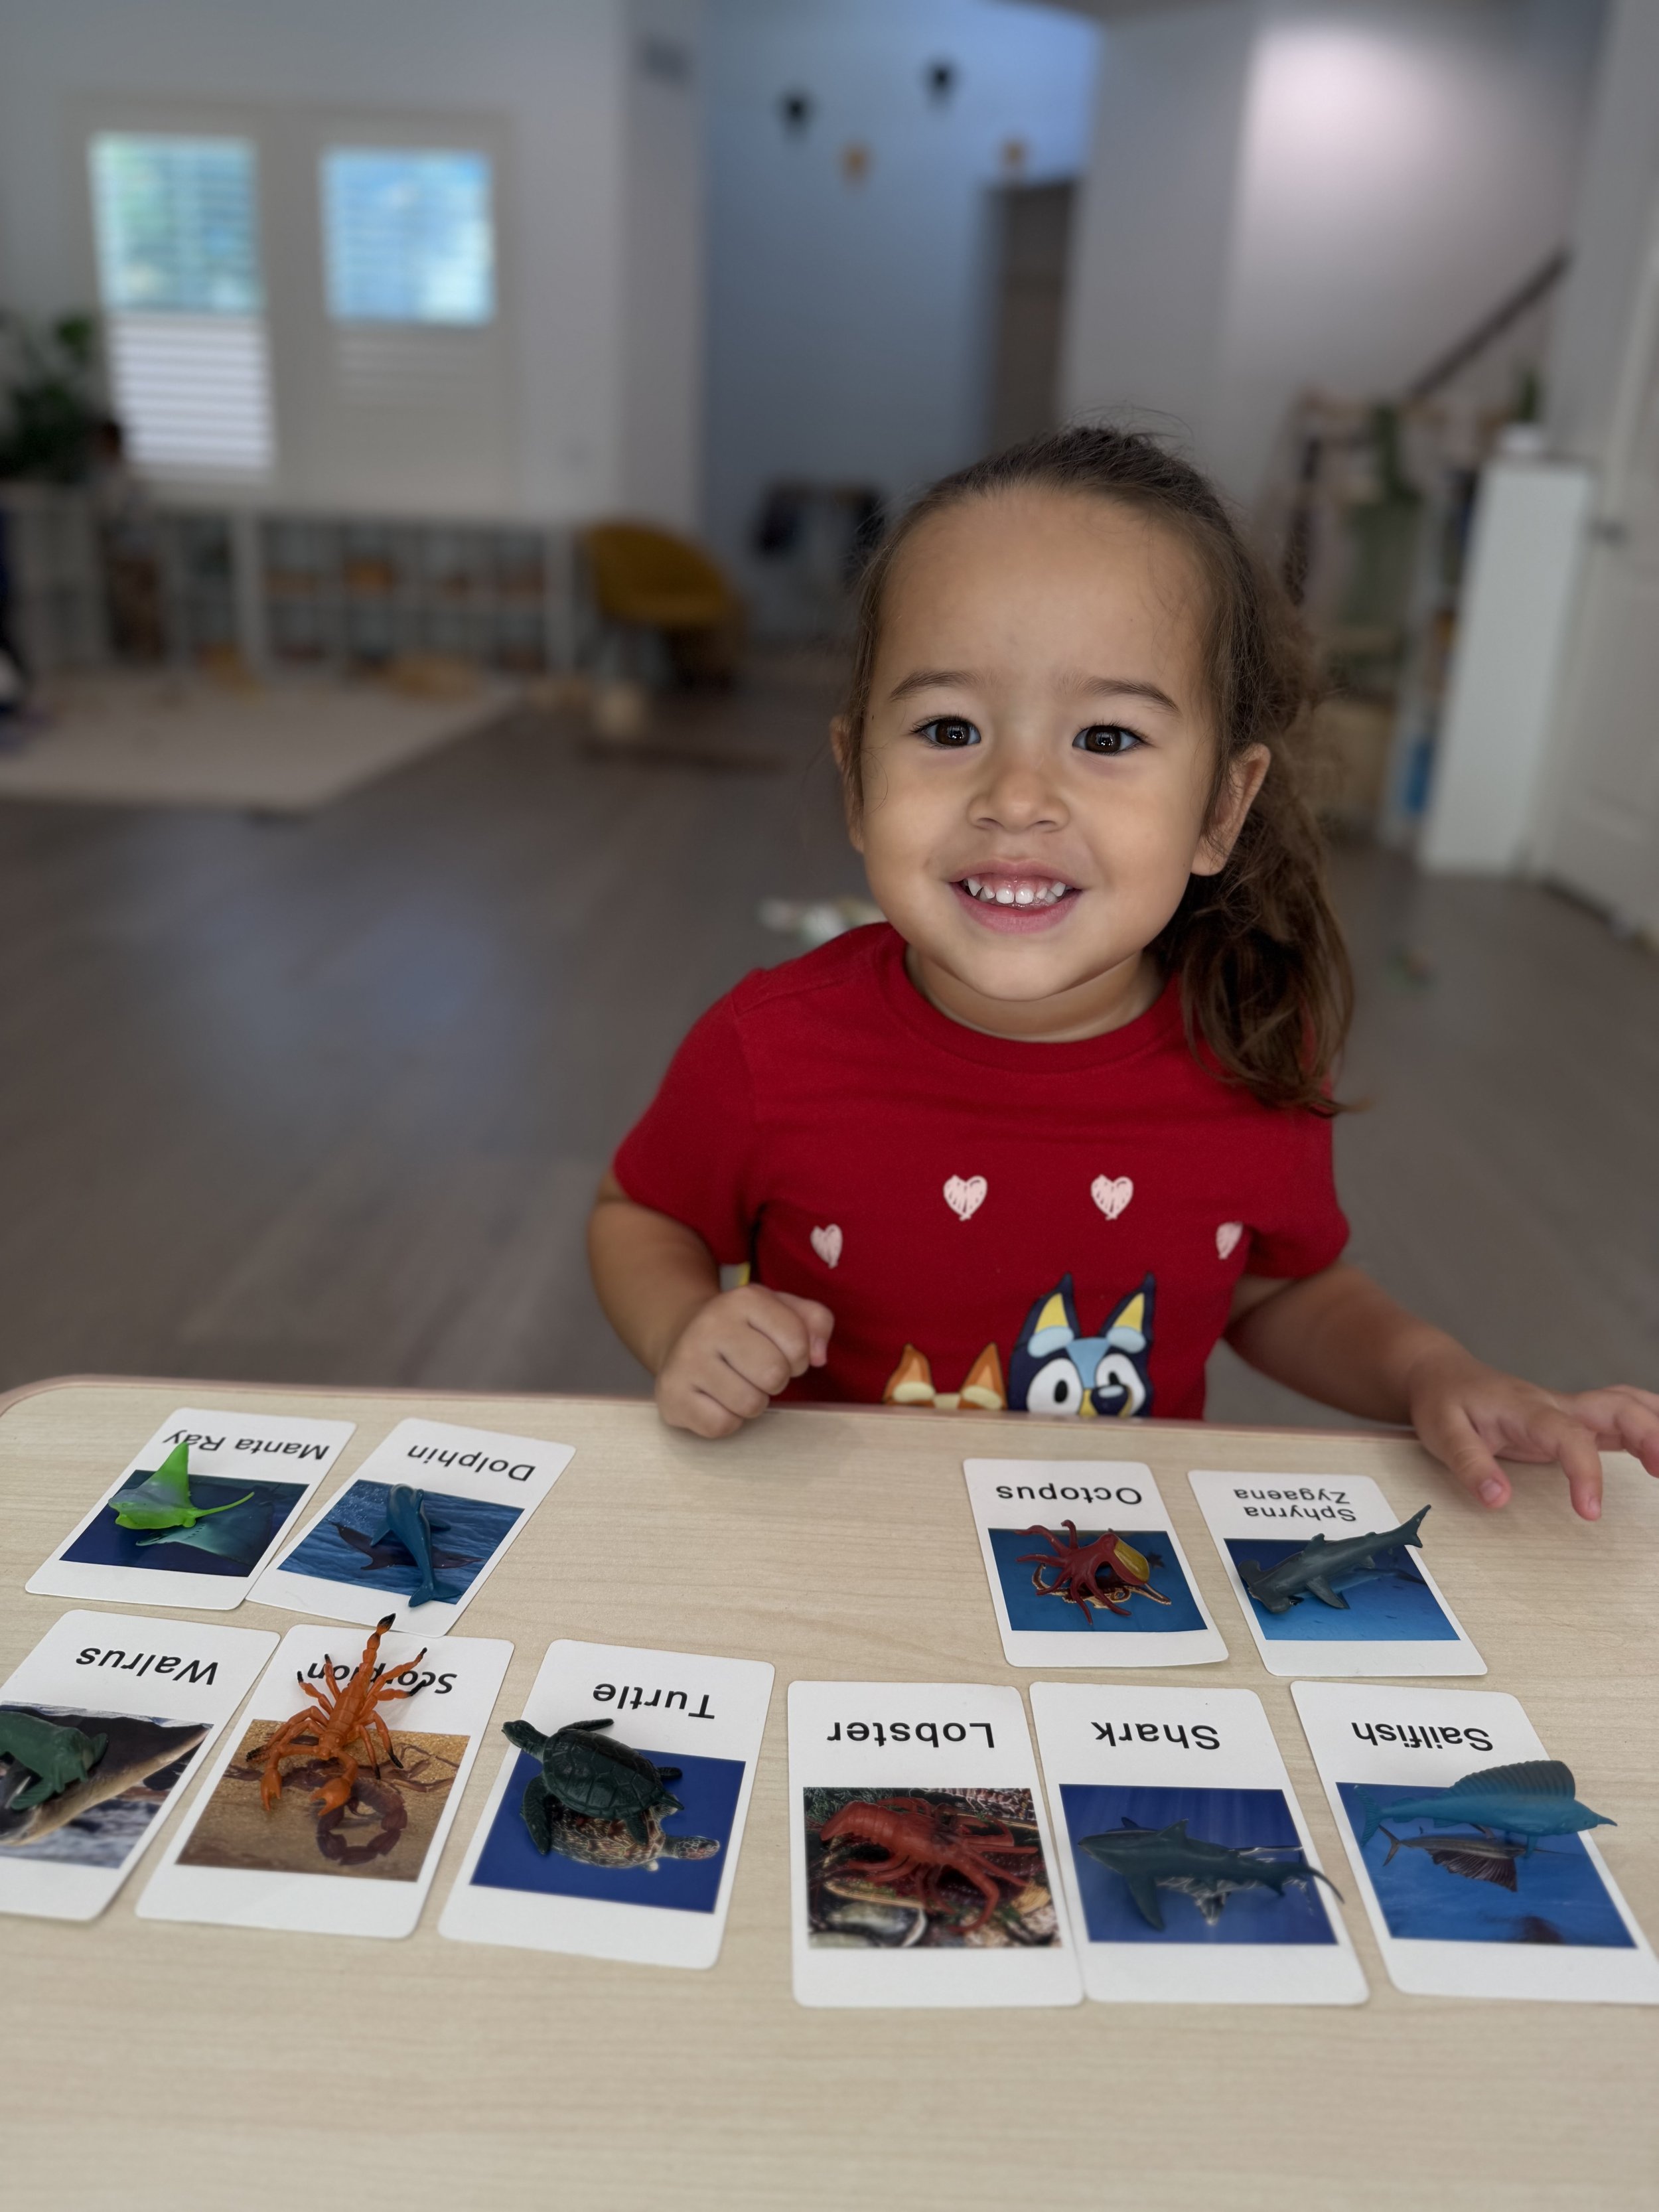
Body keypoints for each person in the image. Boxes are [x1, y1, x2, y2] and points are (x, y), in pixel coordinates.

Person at [588, 427, 1659, 1520]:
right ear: (857, 781)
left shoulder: (1247, 1050)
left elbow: (1279, 1287)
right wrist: (684, 1325)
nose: (1017, 794)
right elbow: (642, 1214)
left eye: (1105, 738)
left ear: (1222, 808)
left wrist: (1434, 1372)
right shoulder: (768, 1048)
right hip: (827, 1542)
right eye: (950, 726)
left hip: (1102, 1577)